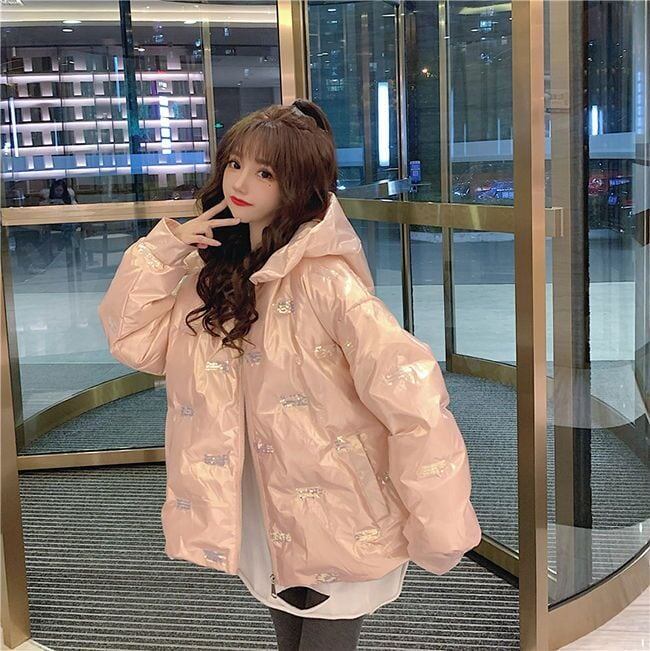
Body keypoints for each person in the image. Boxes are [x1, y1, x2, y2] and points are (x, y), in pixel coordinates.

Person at [98, 99, 482, 651]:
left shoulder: (326, 282)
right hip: (263, 504)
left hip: (339, 507)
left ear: (298, 185)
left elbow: (413, 397)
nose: (240, 183)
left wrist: (439, 517)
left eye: (265, 173)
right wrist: (166, 249)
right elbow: (133, 339)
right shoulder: (214, 279)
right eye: (235, 164)